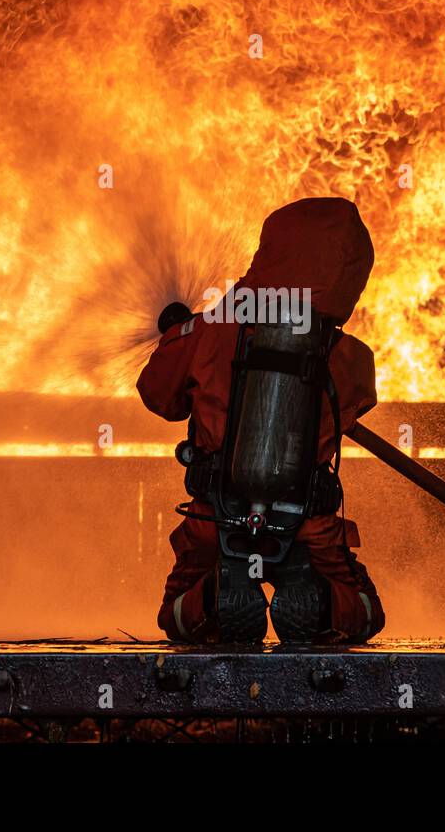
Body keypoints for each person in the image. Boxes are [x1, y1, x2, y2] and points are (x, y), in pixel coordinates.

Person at [136, 197, 385, 644]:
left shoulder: (211, 330)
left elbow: (158, 394)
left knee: (175, 616)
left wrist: (182, 335)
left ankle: (217, 595)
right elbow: (353, 406)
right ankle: (312, 599)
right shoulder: (351, 360)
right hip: (307, 526)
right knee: (365, 612)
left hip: (216, 519)